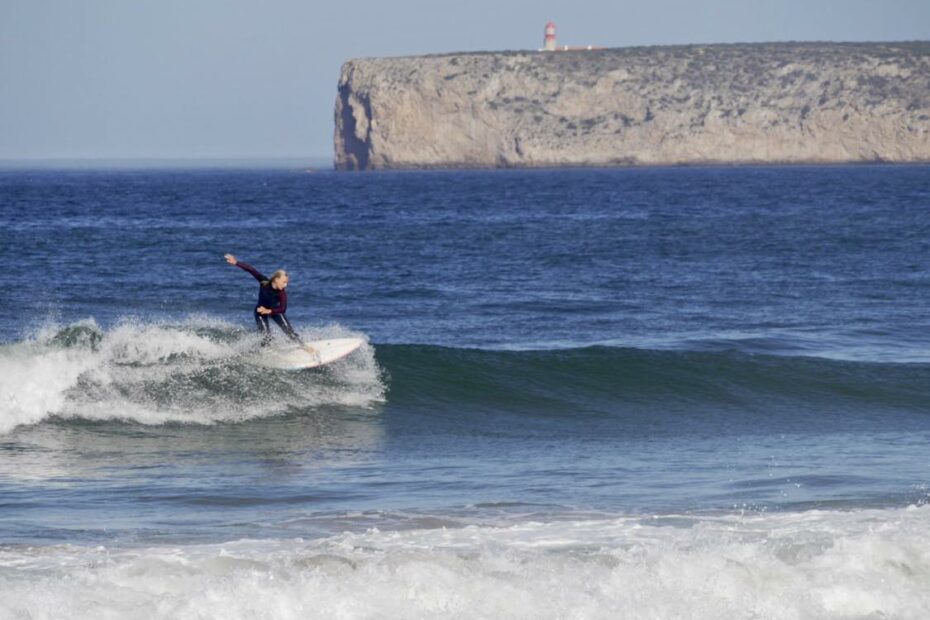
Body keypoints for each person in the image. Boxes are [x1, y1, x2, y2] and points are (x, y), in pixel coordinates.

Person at [225, 253, 310, 349]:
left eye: (287, 283)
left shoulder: (282, 293)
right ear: (277, 280)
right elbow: (251, 270)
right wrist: (236, 262)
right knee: (266, 338)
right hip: (260, 312)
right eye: (284, 282)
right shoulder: (264, 282)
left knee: (289, 332)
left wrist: (269, 311)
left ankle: (305, 347)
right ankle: (260, 353)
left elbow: (283, 309)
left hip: (275, 311)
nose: (286, 285)